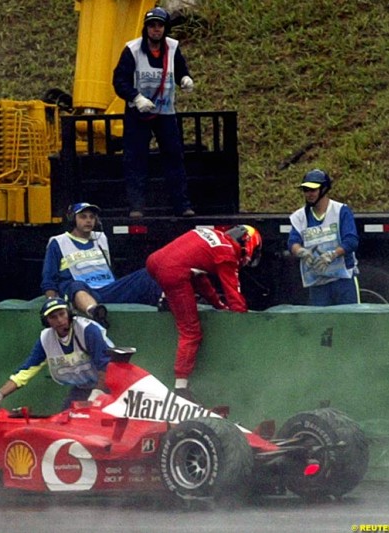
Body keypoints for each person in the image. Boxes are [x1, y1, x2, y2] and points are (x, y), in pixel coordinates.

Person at [146, 225, 262, 402]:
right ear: (248, 244)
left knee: (187, 278)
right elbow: (233, 292)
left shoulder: (213, 236)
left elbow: (200, 279)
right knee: (191, 332)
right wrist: (241, 316)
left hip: (155, 262)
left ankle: (166, 298)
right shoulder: (227, 252)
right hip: (174, 272)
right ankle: (180, 388)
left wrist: (218, 305)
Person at [112, 6, 195, 219]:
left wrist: (184, 78)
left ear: (165, 28)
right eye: (152, 25)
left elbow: (180, 69)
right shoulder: (132, 50)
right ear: (146, 28)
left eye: (160, 25)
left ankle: (182, 205)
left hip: (166, 113)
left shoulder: (173, 48)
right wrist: (136, 98)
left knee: (174, 158)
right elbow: (119, 81)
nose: (156, 30)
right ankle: (137, 207)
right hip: (138, 114)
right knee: (136, 159)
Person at [41, 202, 164, 329]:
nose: (88, 220)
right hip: (83, 291)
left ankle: (166, 302)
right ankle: (95, 313)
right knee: (75, 286)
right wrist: (52, 302)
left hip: (108, 289)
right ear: (73, 219)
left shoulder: (101, 238)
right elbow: (49, 278)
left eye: (92, 217)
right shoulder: (58, 242)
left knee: (147, 273)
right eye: (83, 217)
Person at [0, 297, 114, 410]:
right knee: (66, 420)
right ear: (47, 321)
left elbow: (106, 366)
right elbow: (26, 371)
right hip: (84, 388)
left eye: (62, 314)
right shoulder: (46, 339)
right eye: (53, 317)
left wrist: (97, 395)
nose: (60, 320)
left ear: (69, 313)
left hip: (112, 386)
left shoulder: (87, 330)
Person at [288, 169, 360, 306]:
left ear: (324, 189)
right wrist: (301, 252)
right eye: (305, 190)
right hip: (317, 282)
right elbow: (293, 241)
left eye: (313, 190)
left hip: (343, 280)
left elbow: (351, 240)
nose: (309, 194)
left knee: (349, 322)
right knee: (320, 325)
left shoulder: (340, 211)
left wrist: (332, 255)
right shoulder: (300, 216)